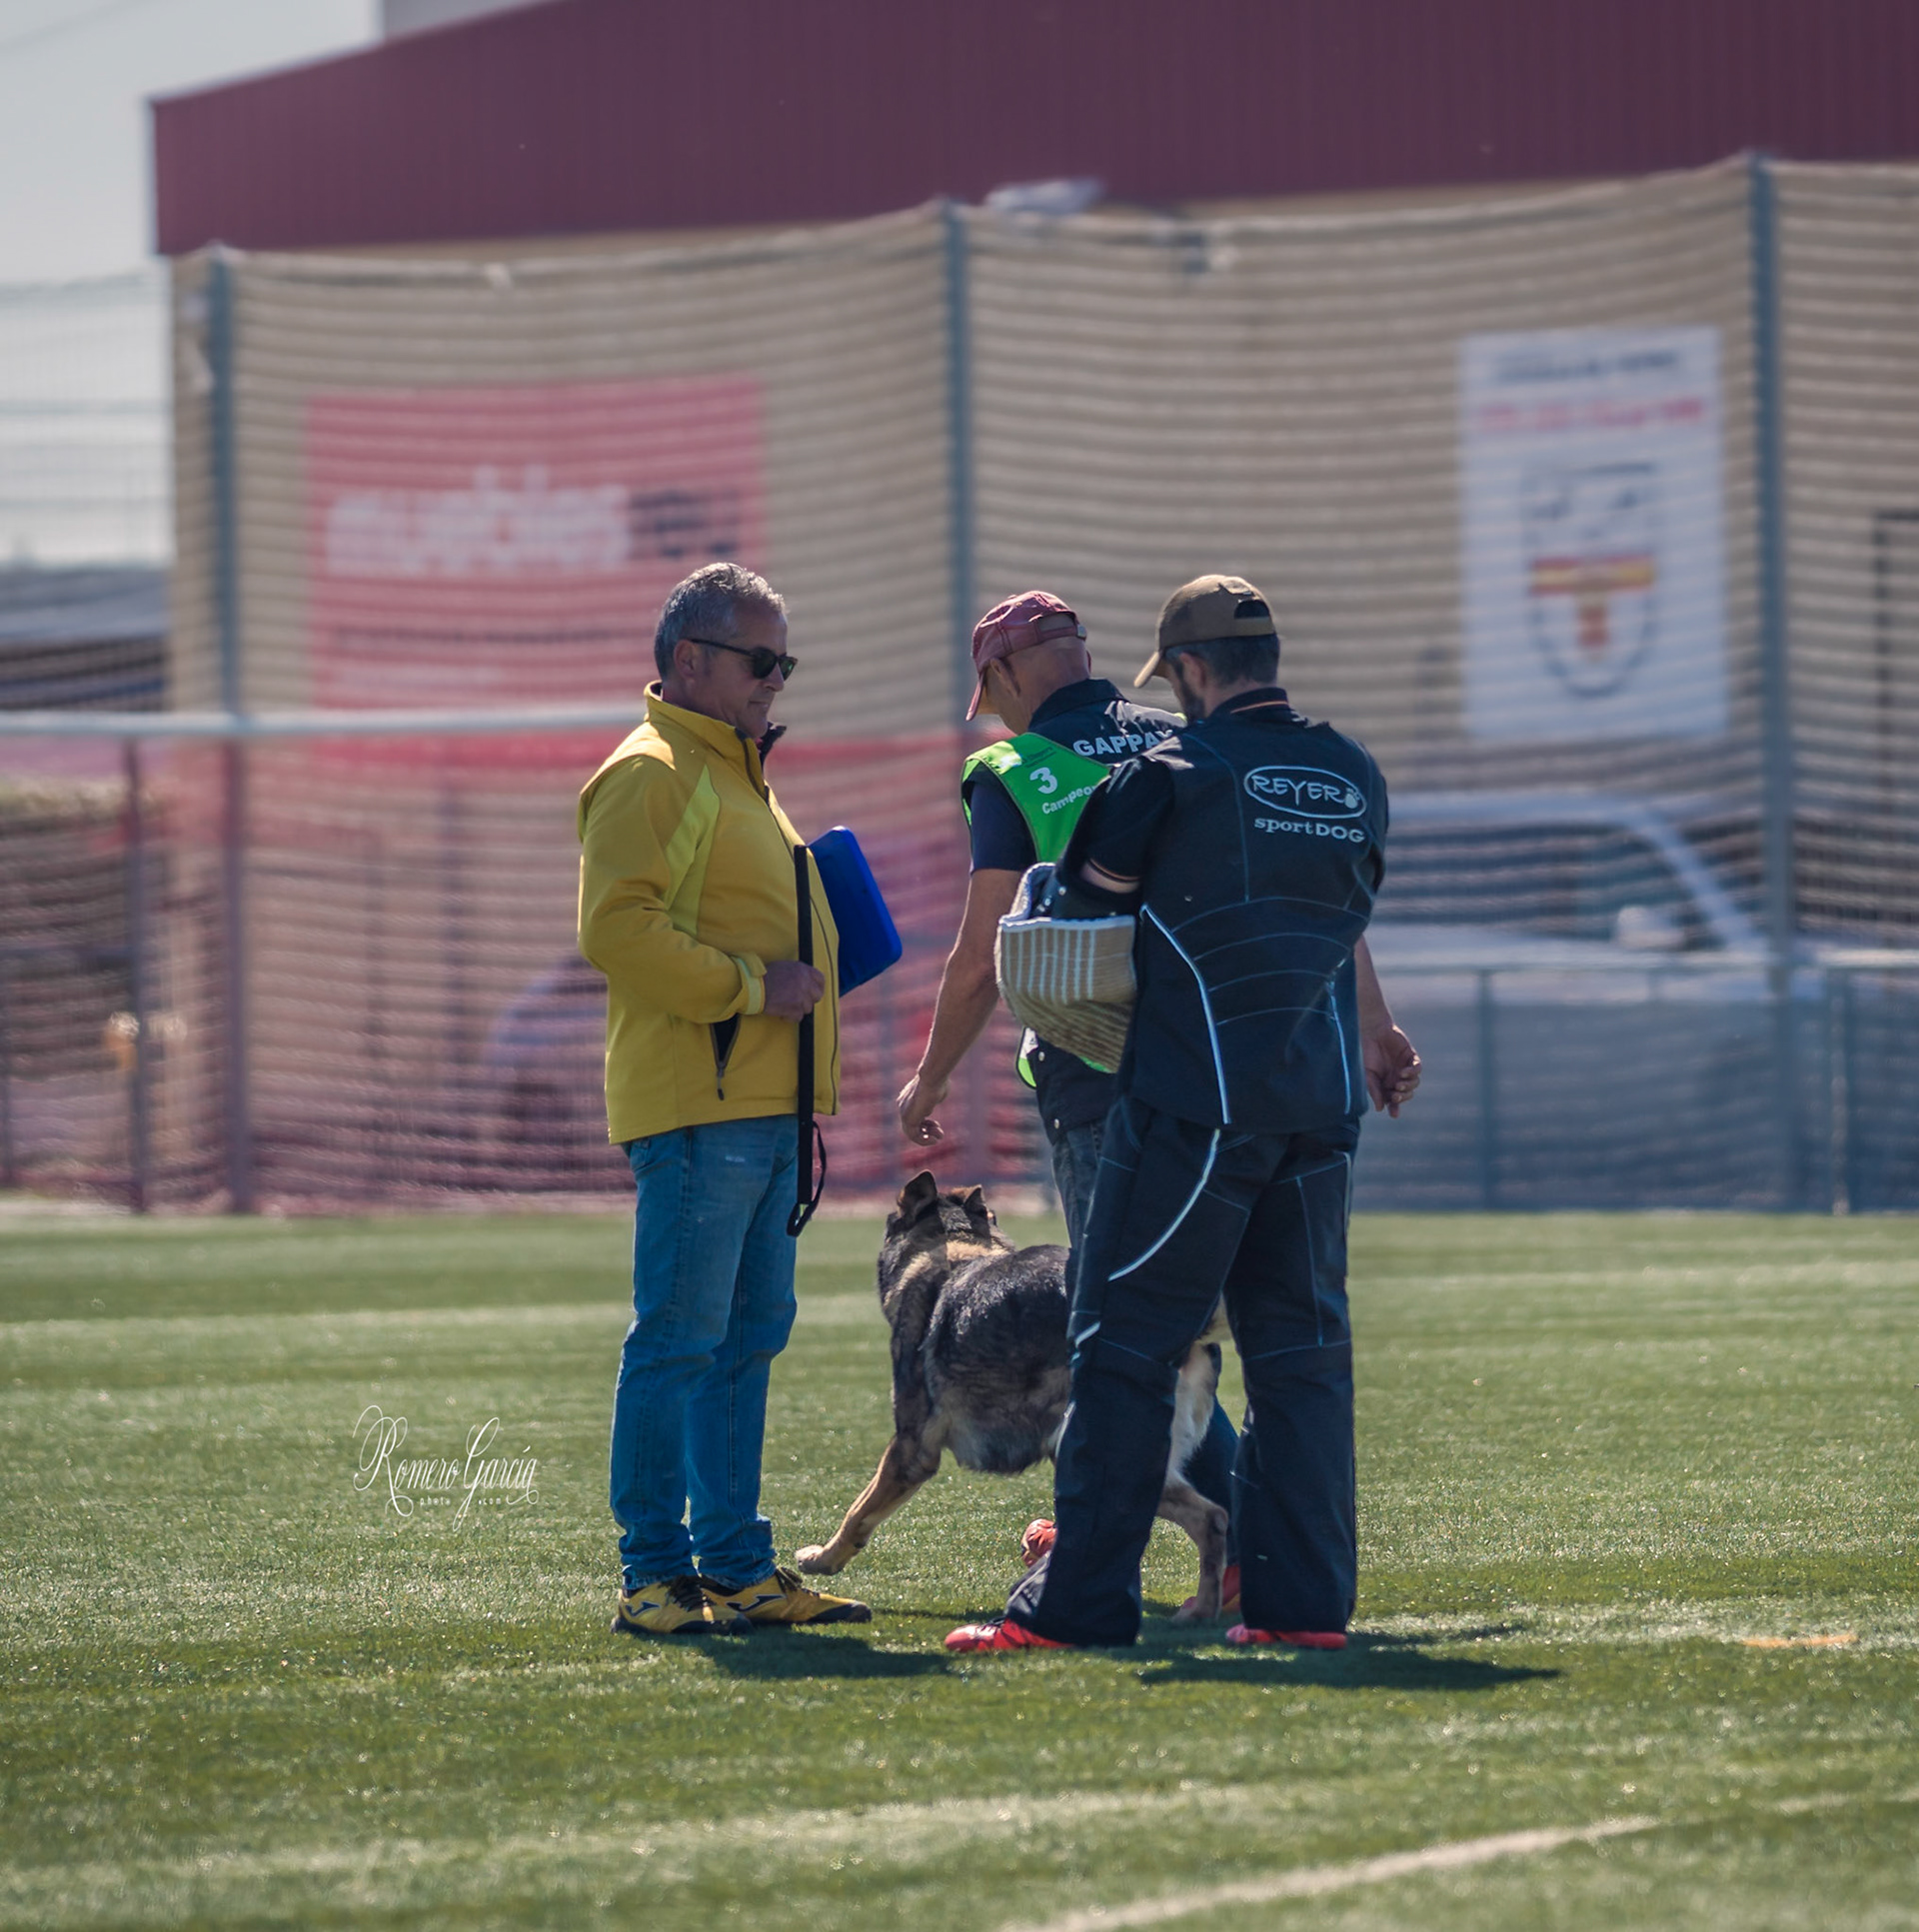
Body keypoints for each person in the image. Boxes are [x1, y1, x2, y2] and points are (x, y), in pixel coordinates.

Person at [945, 574, 1421, 1653]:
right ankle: (1301, 1612)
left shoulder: (1167, 777)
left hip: (1192, 1100)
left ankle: (1074, 1610)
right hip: (1319, 1102)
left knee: (1122, 1344)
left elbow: (1078, 920)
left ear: (1191, 670)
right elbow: (1340, 916)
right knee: (1301, 1357)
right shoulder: (1353, 772)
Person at [894, 590, 1242, 1605]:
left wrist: (930, 1076)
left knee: (1117, 1327)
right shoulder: (1186, 736)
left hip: (1099, 1078)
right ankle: (1244, 1537)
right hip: (1224, 1065)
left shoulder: (1015, 770)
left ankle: (1110, 1552)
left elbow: (983, 955)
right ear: (1083, 654)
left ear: (1003, 676)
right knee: (1197, 1320)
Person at [578, 561, 871, 1637]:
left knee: (744, 1341)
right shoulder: (653, 770)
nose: (776, 679)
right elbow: (616, 928)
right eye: (761, 660)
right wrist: (753, 986)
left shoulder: (734, 771)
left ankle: (739, 1568)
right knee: (681, 1340)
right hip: (701, 1110)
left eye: (786, 662)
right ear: (691, 659)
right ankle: (653, 1573)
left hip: (759, 1104)